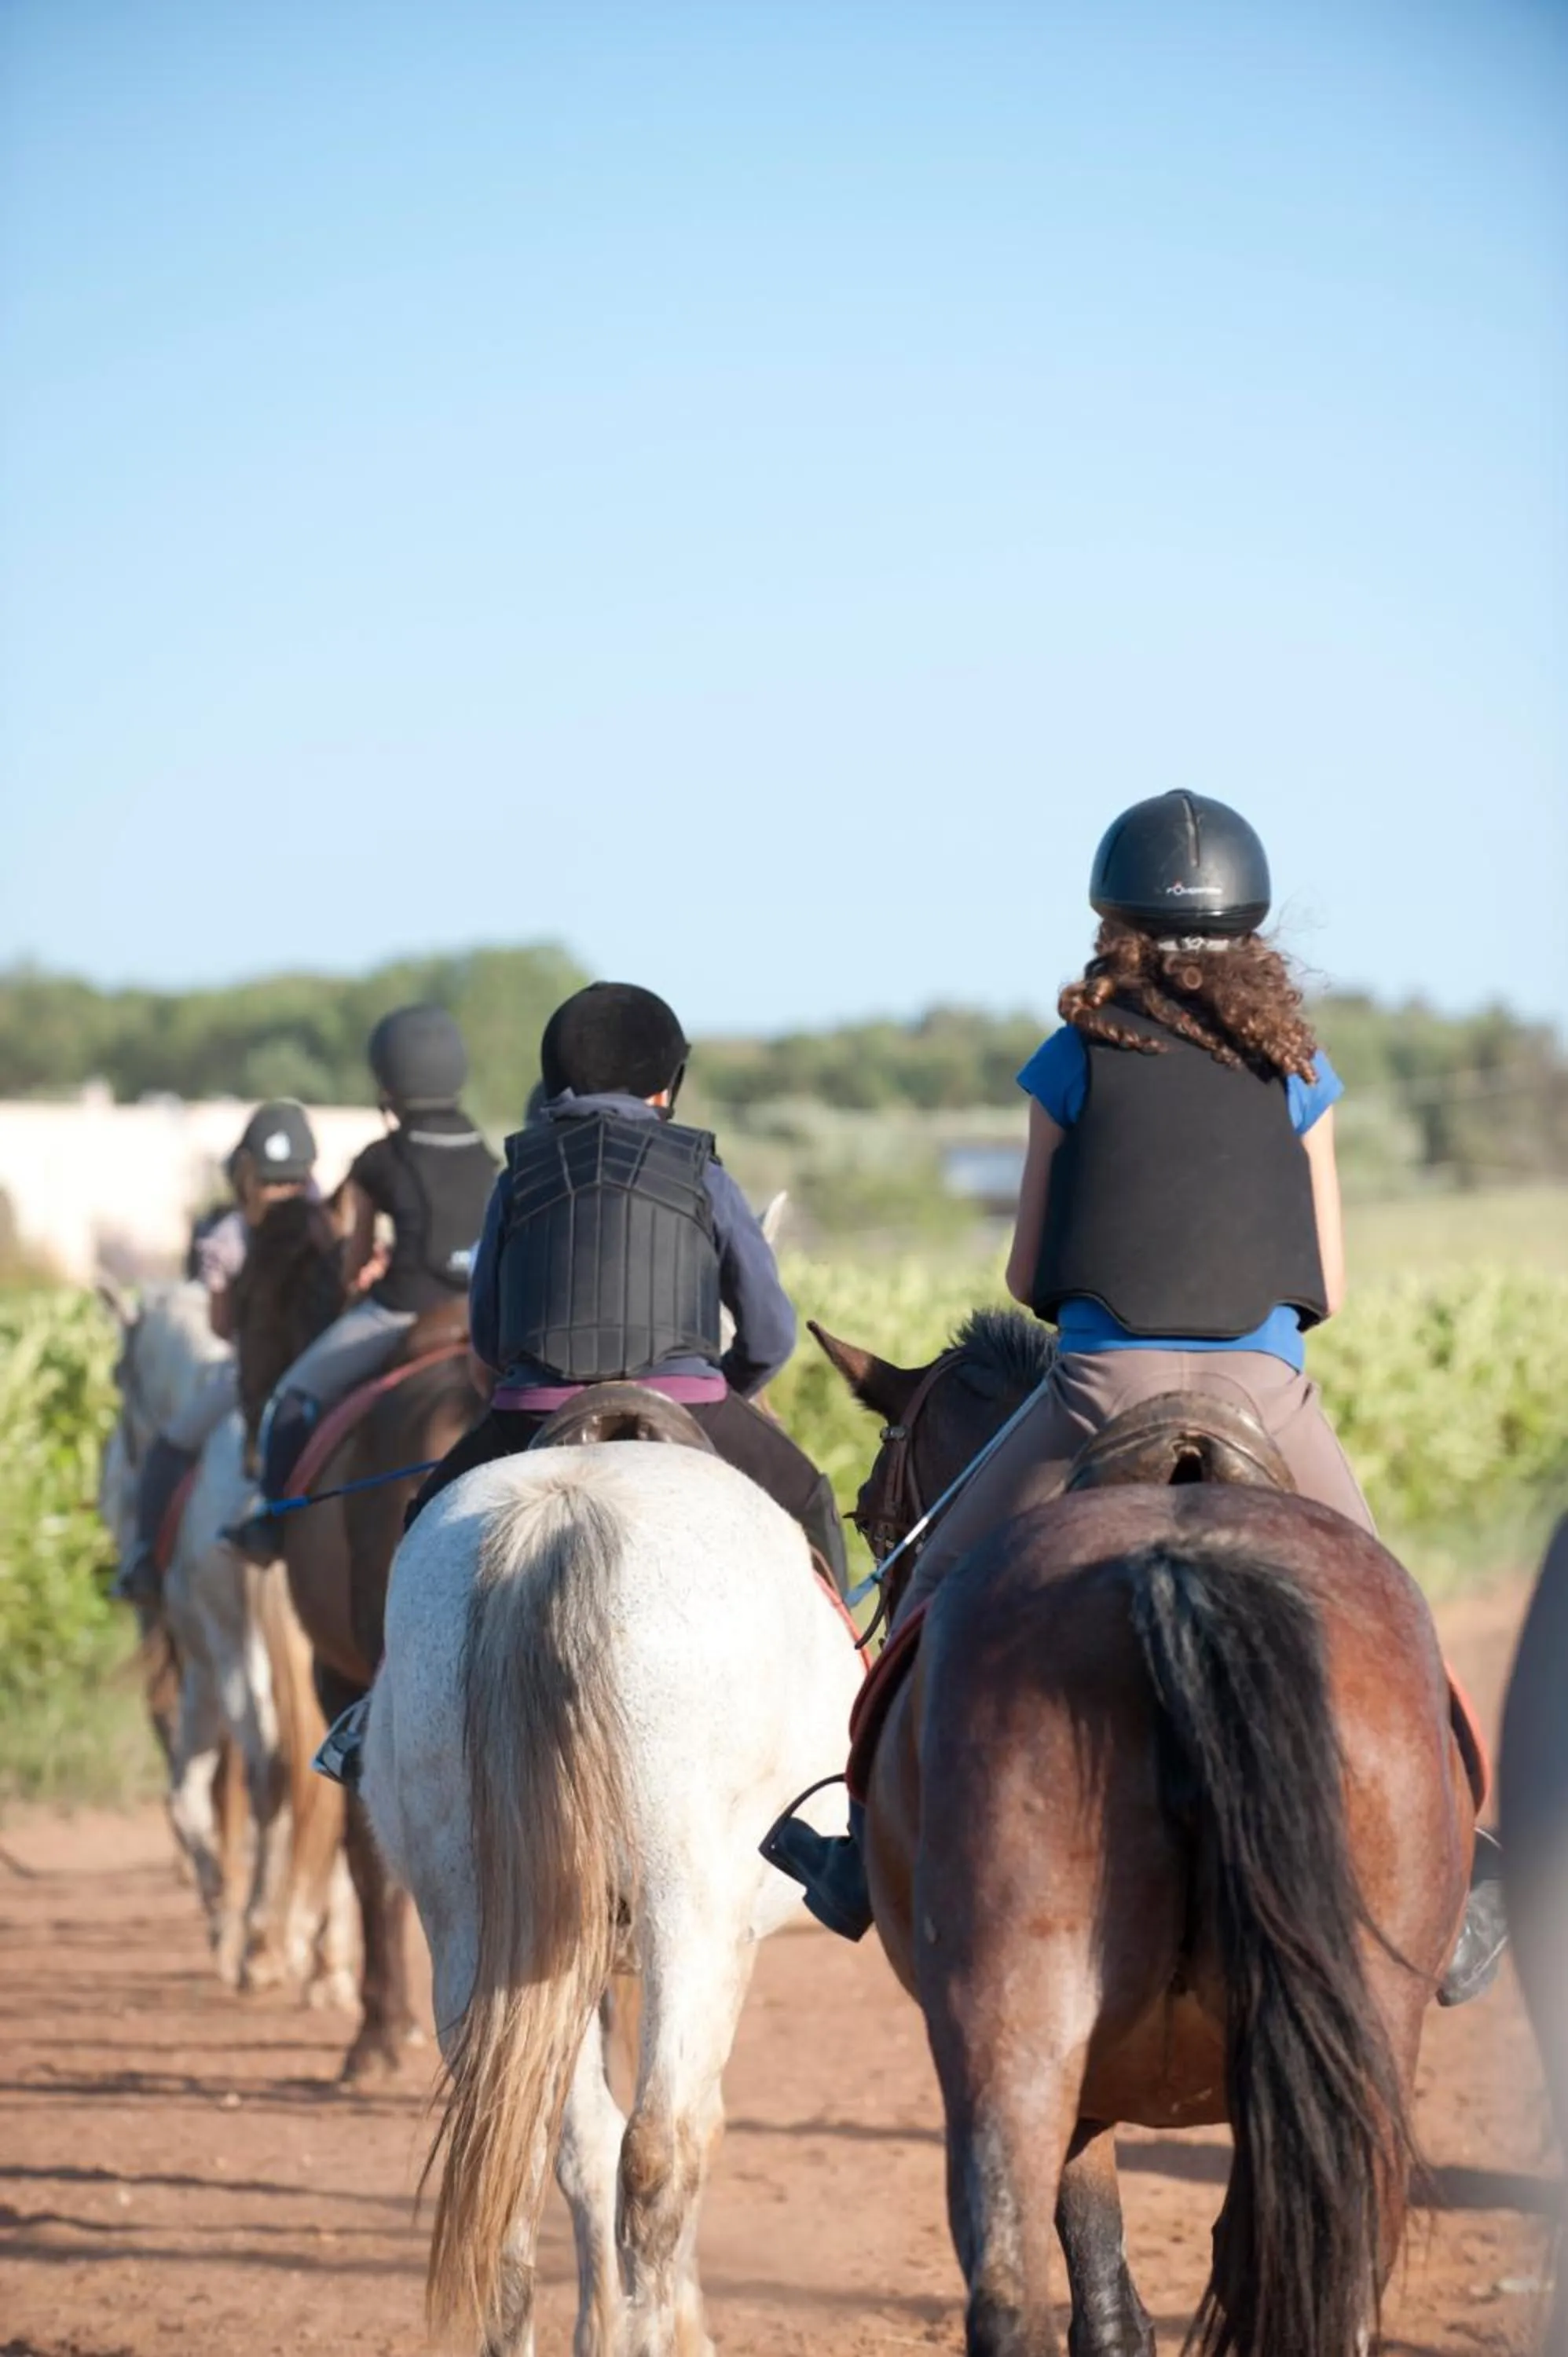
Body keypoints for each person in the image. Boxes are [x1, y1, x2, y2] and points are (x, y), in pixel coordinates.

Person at [768, 791, 1504, 1999]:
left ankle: (857, 1854)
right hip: (1267, 1390)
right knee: (1395, 1612)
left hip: (1095, 1387)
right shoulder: (1299, 1066)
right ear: (1253, 929)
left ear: (1115, 922)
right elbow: (1331, 1281)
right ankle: (1465, 1878)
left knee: (935, 1590)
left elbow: (1025, 1273)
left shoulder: (1073, 1057)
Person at [403, 980, 848, 1589]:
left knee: (421, 1522)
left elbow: (488, 1338)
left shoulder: (519, 1175)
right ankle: (855, 1666)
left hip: (537, 1407)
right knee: (809, 1500)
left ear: (558, 1077)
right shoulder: (704, 1174)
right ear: (668, 1085)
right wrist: (725, 1388)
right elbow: (770, 1334)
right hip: (685, 1398)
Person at [231, 1006, 498, 1559]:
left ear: (389, 1083)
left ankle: (272, 1519)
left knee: (291, 1397)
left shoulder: (378, 1160)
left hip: (402, 1310)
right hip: (480, 1311)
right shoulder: (487, 1154)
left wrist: (355, 1286)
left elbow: (352, 1263)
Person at [112, 1098, 318, 1607]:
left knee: (168, 1447)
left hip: (251, 1379)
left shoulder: (230, 1237)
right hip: (323, 1372)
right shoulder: (328, 1220)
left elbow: (222, 1327)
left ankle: (143, 1561)